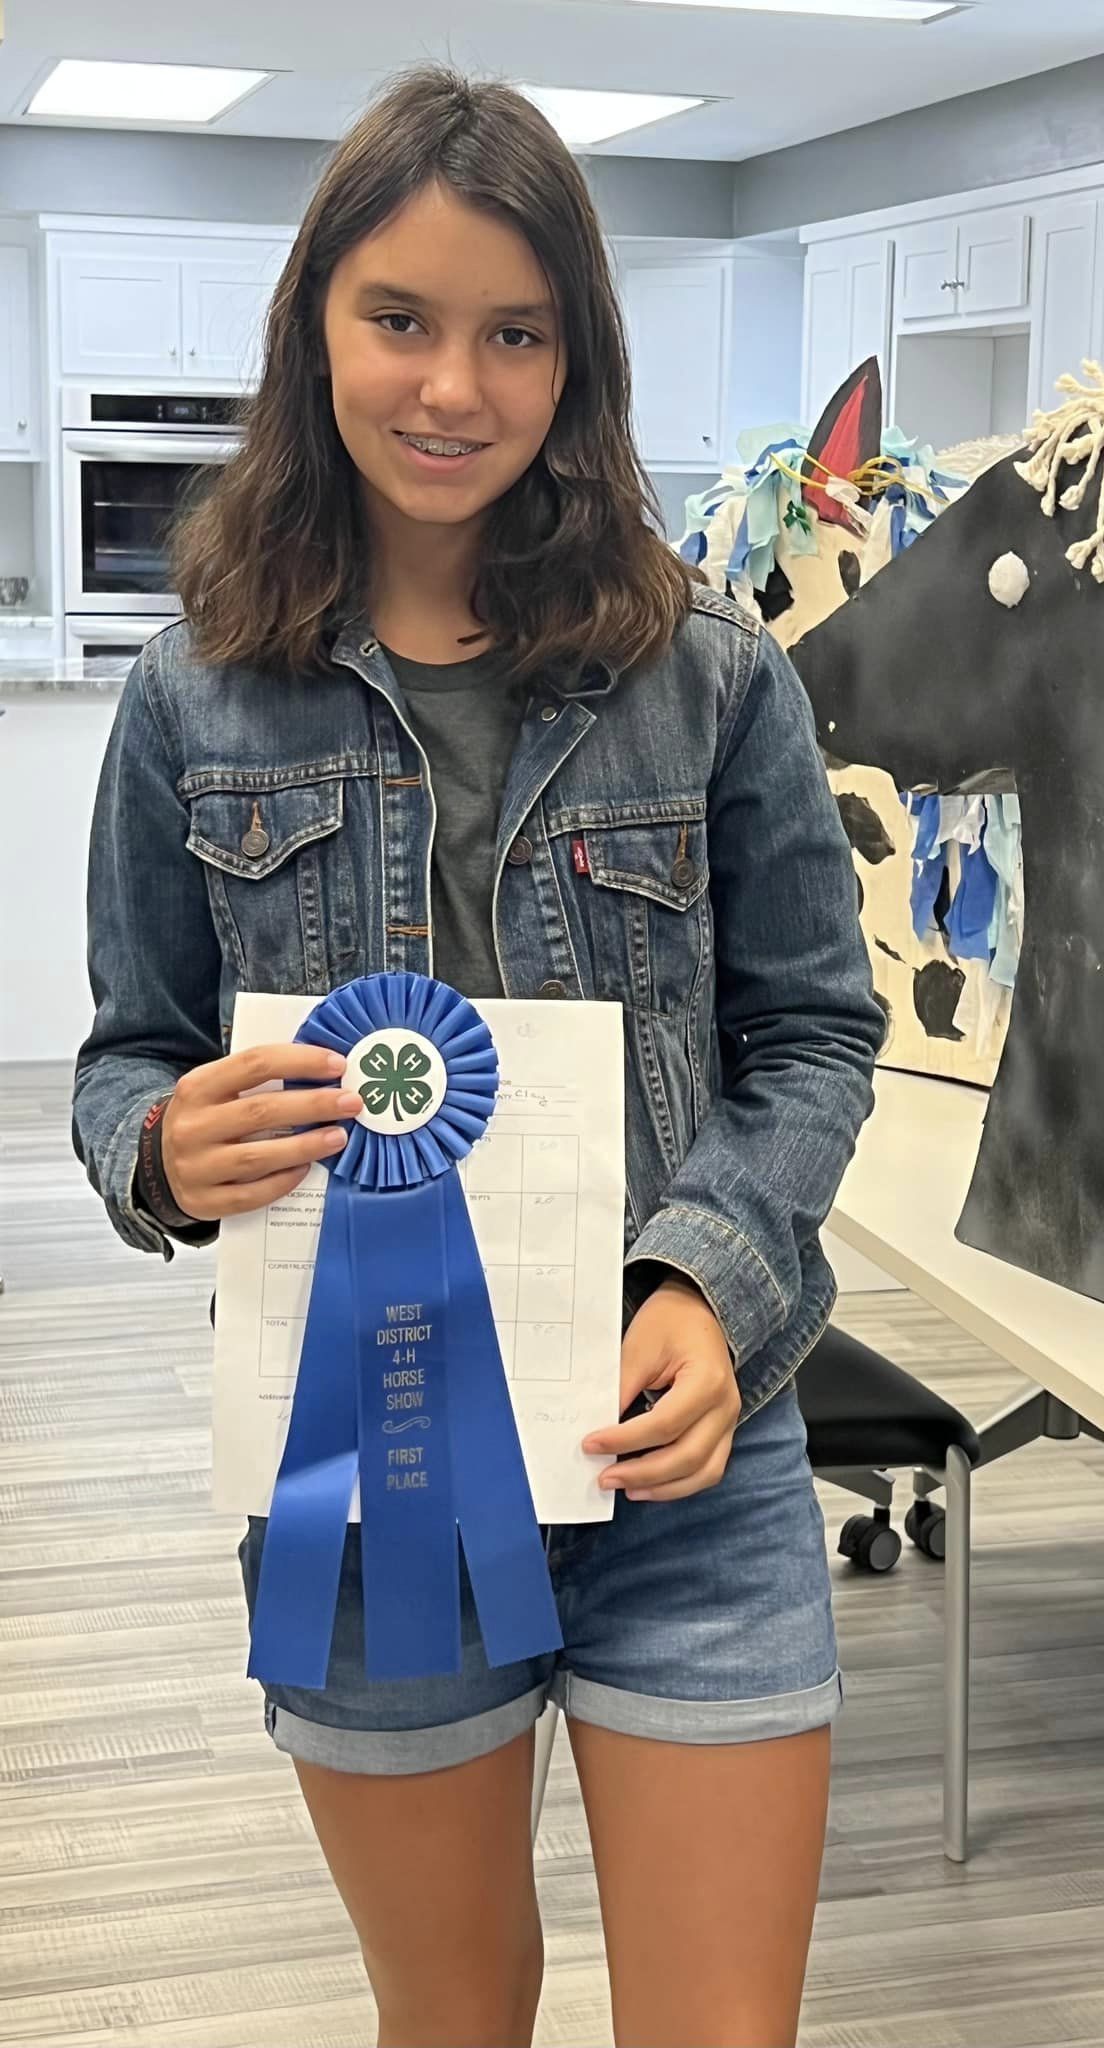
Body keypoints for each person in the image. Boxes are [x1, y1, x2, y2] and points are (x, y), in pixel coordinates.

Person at [72, 66, 883, 2048]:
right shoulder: (195, 698)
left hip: (682, 1458)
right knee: (455, 2019)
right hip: (366, 1487)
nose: (453, 386)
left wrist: (711, 1280)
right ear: (316, 328)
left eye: (515, 333)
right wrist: (168, 1144)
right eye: (401, 319)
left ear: (576, 363)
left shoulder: (712, 674)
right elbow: (124, 1060)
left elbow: (814, 1027)